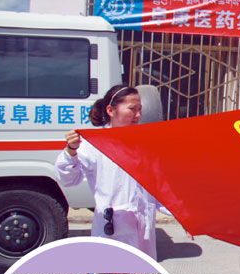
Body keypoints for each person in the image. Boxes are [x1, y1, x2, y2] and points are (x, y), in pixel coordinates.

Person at [54, 84, 170, 260]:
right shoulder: (94, 145)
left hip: (143, 231)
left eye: (140, 110)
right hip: (112, 228)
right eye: (132, 109)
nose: (138, 115)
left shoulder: (144, 146)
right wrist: (71, 152)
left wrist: (185, 217)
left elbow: (159, 189)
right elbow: (68, 179)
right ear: (111, 110)